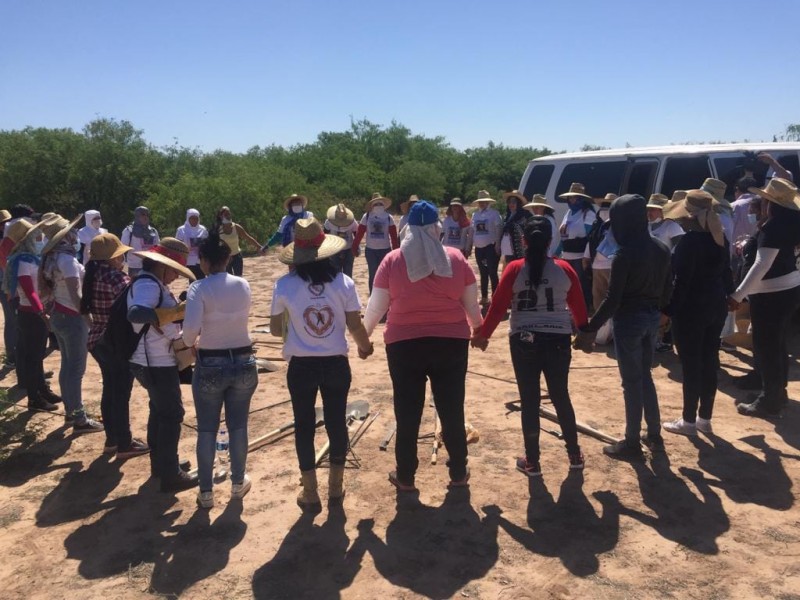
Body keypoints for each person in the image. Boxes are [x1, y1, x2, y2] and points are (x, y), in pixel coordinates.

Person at [363, 201, 482, 492]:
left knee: (407, 412)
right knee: (452, 410)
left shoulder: (393, 260)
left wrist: (363, 339)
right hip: (451, 344)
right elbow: (472, 307)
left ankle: (405, 476)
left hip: (404, 346)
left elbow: (376, 308)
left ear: (407, 229)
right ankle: (457, 472)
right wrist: (479, 331)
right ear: (437, 228)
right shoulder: (455, 258)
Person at [270, 218, 373, 512]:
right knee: (336, 422)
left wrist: (297, 323)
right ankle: (335, 488)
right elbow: (354, 324)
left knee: (303, 426)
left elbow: (276, 330)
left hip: (301, 366)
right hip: (335, 364)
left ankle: (310, 491)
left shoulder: (284, 285)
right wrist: (366, 348)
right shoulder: (344, 283)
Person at [471, 217, 588, 475]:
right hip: (558, 338)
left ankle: (532, 461)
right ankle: (575, 454)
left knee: (530, 400)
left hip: (524, 339)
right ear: (550, 242)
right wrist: (584, 333)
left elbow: (499, 305)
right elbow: (579, 310)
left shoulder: (514, 269)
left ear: (523, 241)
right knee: (561, 396)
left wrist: (483, 335)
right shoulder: (565, 269)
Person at [574, 194, 673, 459]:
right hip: (652, 318)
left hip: (629, 321)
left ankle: (631, 443)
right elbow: (667, 292)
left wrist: (588, 330)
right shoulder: (661, 250)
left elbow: (613, 299)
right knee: (645, 377)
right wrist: (660, 312)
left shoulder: (624, 255)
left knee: (631, 382)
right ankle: (654, 435)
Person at [183, 232, 258, 509]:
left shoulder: (198, 289)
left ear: (202, 261)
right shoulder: (243, 284)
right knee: (238, 425)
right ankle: (237, 483)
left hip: (211, 362)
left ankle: (206, 492)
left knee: (207, 430)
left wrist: (192, 342)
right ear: (228, 258)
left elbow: (189, 332)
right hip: (243, 359)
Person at [126, 237, 198, 492]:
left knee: (159, 410)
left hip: (151, 358)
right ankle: (170, 474)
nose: (176, 277)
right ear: (163, 266)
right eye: (174, 271)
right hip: (153, 361)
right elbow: (136, 313)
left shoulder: (152, 283)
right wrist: (175, 313)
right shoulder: (148, 285)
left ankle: (163, 464)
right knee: (171, 414)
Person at [660, 190, 733, 436]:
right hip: (715, 305)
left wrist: (668, 310)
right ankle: (704, 418)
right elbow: (727, 274)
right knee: (710, 361)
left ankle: (688, 420)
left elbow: (681, 283)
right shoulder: (720, 238)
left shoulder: (689, 243)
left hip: (692, 309)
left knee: (691, 365)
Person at [729, 178, 800, 419]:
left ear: (771, 202)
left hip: (771, 294)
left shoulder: (774, 227)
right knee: (777, 345)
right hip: (787, 288)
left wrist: (738, 294)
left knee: (767, 347)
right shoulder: (790, 223)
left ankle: (769, 401)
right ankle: (776, 393)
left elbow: (762, 264)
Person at [82, 233, 149, 457]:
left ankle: (112, 439)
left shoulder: (91, 275)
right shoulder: (117, 279)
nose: (122, 260)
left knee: (110, 390)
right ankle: (124, 443)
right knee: (121, 394)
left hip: (97, 339)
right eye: (120, 256)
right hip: (116, 342)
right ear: (111, 258)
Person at [40, 215, 104, 433]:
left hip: (60, 314)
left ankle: (71, 411)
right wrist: (89, 320)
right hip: (72, 317)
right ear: (65, 236)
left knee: (67, 367)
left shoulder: (54, 258)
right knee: (76, 369)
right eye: (71, 231)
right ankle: (78, 418)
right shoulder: (66, 261)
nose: (75, 234)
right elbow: (76, 294)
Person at [2, 219, 61, 411]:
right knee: (33, 357)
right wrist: (42, 312)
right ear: (25, 239)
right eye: (34, 234)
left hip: (32, 313)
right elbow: (29, 290)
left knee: (36, 356)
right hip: (32, 314)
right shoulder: (22, 261)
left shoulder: (28, 258)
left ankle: (42, 390)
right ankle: (34, 398)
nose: (39, 237)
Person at [558, 182, 596, 312]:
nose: (572, 200)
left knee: (581, 282)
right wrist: (558, 252)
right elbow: (563, 235)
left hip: (580, 255)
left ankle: (585, 306)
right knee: (569, 283)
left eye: (575, 197)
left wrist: (587, 256)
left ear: (581, 199)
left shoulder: (588, 213)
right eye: (571, 197)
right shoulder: (568, 212)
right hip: (567, 254)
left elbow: (588, 235)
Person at [351, 193, 399, 293]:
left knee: (385, 274)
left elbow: (394, 237)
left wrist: (396, 253)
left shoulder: (389, 218)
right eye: (376, 204)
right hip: (371, 250)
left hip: (385, 250)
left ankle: (385, 295)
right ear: (372, 206)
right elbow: (359, 233)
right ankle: (373, 295)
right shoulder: (367, 216)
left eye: (380, 204)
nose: (378, 206)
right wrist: (354, 247)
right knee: (373, 274)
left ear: (384, 205)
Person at [471, 190, 503, 306]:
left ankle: (495, 296)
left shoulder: (494, 214)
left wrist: (498, 245)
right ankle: (484, 297)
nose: (482, 204)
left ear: (488, 202)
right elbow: (472, 230)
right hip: (479, 247)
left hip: (491, 246)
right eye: (480, 202)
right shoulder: (475, 215)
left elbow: (499, 229)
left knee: (492, 272)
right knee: (483, 273)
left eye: (484, 201)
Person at [214, 206, 262, 277]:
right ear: (220, 216)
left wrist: (259, 247)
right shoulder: (217, 230)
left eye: (229, 214)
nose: (228, 216)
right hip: (224, 259)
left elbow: (248, 238)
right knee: (228, 279)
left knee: (239, 277)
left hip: (237, 257)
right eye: (226, 214)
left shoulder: (236, 227)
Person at [0, 209, 18, 367]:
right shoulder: (4, 242)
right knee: (12, 320)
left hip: (6, 284)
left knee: (13, 320)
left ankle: (14, 357)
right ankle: (12, 357)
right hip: (5, 285)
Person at [121, 207, 160, 277]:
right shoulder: (129, 231)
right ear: (137, 216)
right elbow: (122, 249)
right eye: (143, 215)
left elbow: (157, 248)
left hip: (150, 266)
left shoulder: (153, 231)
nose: (145, 217)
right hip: (135, 266)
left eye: (147, 215)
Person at [323, 203, 359, 277]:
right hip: (334, 250)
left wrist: (356, 247)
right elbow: (324, 235)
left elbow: (356, 234)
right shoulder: (329, 222)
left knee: (348, 273)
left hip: (349, 249)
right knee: (336, 274)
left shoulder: (352, 222)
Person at [175, 208, 209, 280]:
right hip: (188, 260)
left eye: (196, 218)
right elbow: (177, 245)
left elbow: (207, 243)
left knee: (201, 279)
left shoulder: (203, 229)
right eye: (192, 218)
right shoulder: (181, 230)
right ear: (188, 218)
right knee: (192, 280)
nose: (194, 220)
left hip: (200, 261)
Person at [500, 190, 531, 265]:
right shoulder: (508, 216)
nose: (511, 204)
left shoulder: (526, 215)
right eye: (509, 202)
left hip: (520, 252)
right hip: (508, 251)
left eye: (514, 202)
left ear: (519, 203)